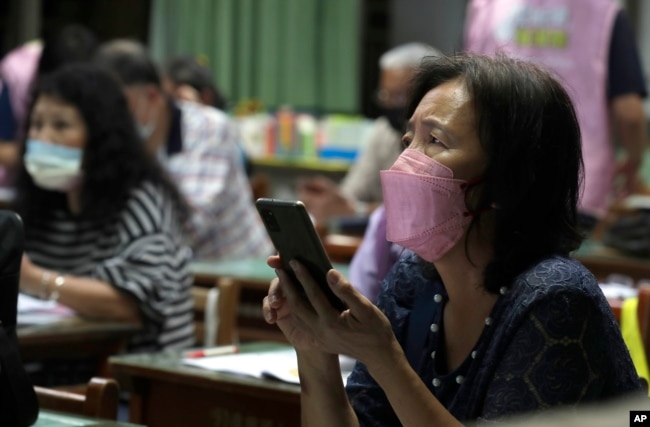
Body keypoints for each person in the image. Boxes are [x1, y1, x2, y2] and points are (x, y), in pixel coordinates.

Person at [262, 53, 644, 425]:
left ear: (509, 181)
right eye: (408, 140)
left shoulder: (556, 298)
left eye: (437, 142)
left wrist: (385, 359)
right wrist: (314, 351)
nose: (403, 164)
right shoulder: (413, 281)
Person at [16, 64, 195, 357]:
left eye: (61, 126)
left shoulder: (139, 201)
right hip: (58, 367)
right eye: (36, 125)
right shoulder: (45, 202)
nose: (43, 138)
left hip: (132, 380)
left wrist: (35, 279)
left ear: (99, 135)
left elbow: (129, 305)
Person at [463, 0, 648, 230]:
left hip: (493, 175)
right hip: (575, 183)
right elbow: (629, 113)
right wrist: (633, 162)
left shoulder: (485, 6)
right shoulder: (605, 12)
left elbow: (464, 88)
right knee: (564, 263)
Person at [94, 39, 273, 260]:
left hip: (236, 275)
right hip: (165, 272)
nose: (110, 116)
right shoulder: (117, 136)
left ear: (152, 96)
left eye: (119, 104)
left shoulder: (208, 127)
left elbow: (189, 226)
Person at [298, 42, 441, 223]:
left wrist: (358, 210)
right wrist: (333, 198)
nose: (390, 105)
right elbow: (353, 193)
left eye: (399, 96)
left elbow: (421, 211)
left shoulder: (441, 141)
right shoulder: (383, 131)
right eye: (385, 95)